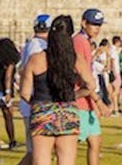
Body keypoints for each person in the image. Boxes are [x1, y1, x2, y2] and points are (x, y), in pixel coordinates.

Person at [19, 15, 99, 165]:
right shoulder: (75, 59)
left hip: (43, 110)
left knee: (41, 161)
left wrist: (36, 103)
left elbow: (24, 92)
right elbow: (90, 86)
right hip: (67, 110)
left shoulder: (36, 59)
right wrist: (74, 95)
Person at [73, 9, 110, 165]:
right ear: (83, 23)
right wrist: (99, 102)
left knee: (95, 142)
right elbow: (83, 75)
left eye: (99, 25)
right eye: (94, 24)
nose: (97, 28)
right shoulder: (79, 41)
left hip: (87, 100)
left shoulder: (85, 42)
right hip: (80, 99)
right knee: (72, 145)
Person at [16, 14, 51, 165]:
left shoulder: (31, 44)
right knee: (36, 153)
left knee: (36, 152)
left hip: (32, 102)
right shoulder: (39, 47)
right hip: (34, 101)